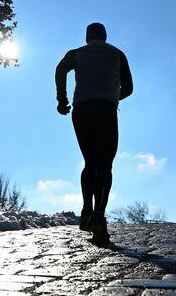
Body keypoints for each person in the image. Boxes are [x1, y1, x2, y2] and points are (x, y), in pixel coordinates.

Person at [55, 22, 133, 245]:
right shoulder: (118, 54)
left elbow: (60, 69)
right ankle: (99, 214)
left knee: (90, 162)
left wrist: (62, 99)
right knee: (105, 165)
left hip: (82, 111)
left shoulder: (77, 53)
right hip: (106, 111)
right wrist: (112, 96)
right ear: (105, 36)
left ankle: (87, 209)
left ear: (87, 37)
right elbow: (129, 88)